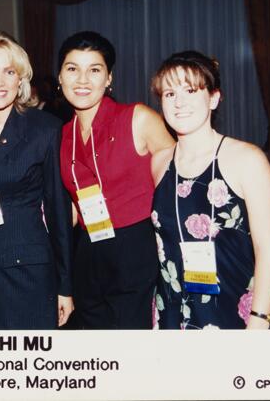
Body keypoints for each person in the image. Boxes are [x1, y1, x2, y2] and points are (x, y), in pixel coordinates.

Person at [150, 51, 270, 329]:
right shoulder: (160, 163)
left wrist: (259, 320)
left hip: (233, 311)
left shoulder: (247, 159)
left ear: (213, 98)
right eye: (170, 94)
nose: (179, 102)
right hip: (173, 311)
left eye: (190, 90)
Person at [0, 31, 73, 329]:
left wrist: (65, 286)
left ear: (20, 80)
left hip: (24, 273)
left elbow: (59, 213)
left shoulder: (43, 129)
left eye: (9, 72)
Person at [57, 31, 174, 329]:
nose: (82, 80)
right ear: (60, 77)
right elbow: (72, 204)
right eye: (72, 69)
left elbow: (178, 184)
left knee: (131, 343)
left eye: (94, 70)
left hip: (135, 246)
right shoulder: (61, 135)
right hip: (88, 250)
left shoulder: (138, 118)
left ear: (109, 78)